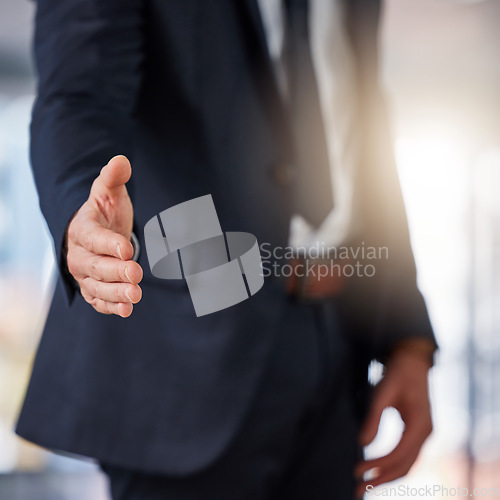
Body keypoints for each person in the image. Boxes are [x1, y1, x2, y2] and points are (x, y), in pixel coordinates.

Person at [17, 0, 438, 498]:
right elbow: (77, 95)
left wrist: (409, 336)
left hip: (338, 341)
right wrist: (77, 211)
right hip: (184, 349)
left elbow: (360, 118)